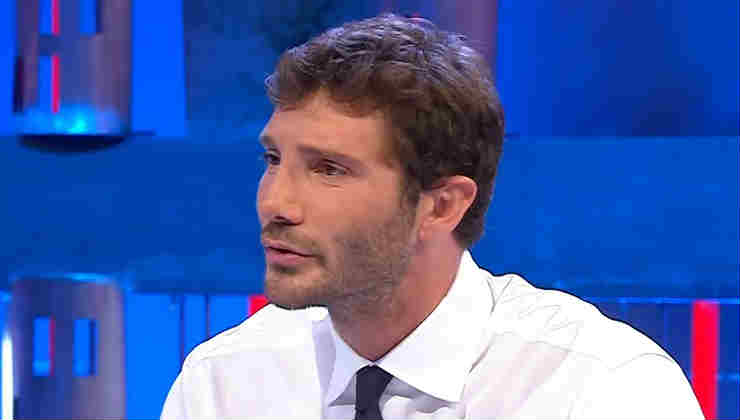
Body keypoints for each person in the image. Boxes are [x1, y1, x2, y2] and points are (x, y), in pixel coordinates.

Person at [161, 14, 703, 419]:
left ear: (442, 205)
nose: (276, 203)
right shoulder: (224, 383)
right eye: (273, 159)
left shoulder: (600, 389)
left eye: (328, 169)